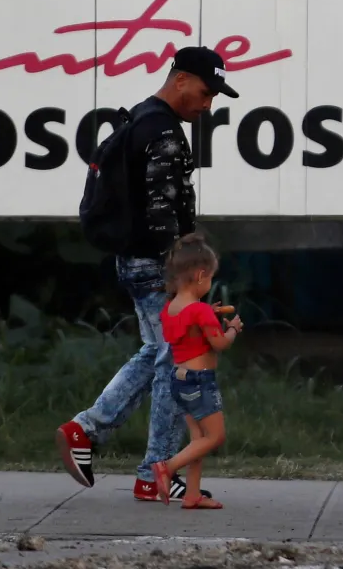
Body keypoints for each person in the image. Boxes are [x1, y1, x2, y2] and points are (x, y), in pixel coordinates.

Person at [56, 46, 239, 502]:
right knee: (177, 359)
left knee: (158, 353)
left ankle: (90, 434)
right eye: (204, 91)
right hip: (157, 265)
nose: (207, 103)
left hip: (134, 260)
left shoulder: (141, 117)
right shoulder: (163, 131)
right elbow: (162, 213)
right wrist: (180, 279)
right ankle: (152, 469)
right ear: (179, 80)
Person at [152, 234, 244, 508]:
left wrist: (208, 314)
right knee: (215, 436)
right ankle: (167, 468)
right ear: (201, 274)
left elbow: (187, 329)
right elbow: (219, 344)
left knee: (198, 439)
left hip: (178, 381)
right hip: (199, 382)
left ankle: (192, 494)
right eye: (211, 278)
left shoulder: (170, 309)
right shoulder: (200, 311)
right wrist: (232, 330)